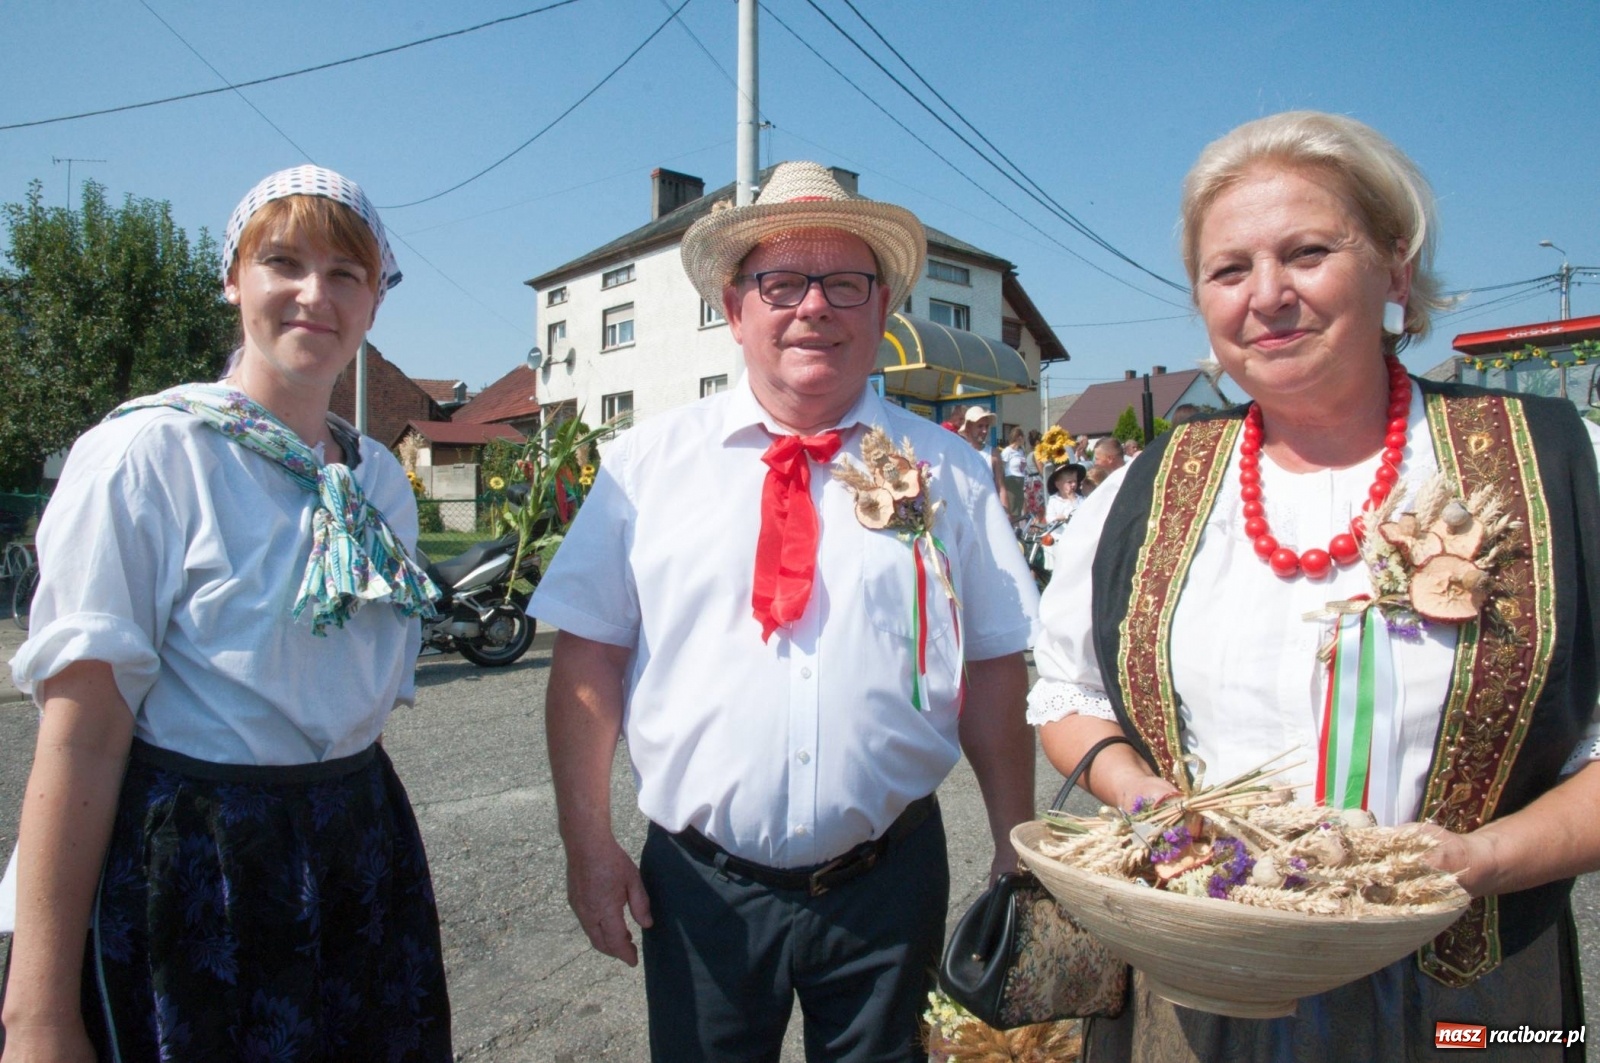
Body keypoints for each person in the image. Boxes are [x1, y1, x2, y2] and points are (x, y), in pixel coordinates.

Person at [1030, 111, 1600, 1062]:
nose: (1267, 295)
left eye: (1306, 252)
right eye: (1228, 270)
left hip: (1480, 999)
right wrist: (1153, 806)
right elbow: (1070, 698)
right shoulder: (1151, 483)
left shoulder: (1545, 464)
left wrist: (1475, 862)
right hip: (1204, 982)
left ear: (1396, 269)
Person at [531, 161, 1039, 1062]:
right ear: (735, 309)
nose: (815, 306)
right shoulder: (643, 468)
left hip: (890, 882)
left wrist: (1012, 843)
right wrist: (587, 842)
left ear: (883, 309)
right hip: (702, 888)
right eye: (782, 282)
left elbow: (994, 663)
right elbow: (588, 661)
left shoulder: (951, 472)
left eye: (845, 283)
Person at [0, 166, 453, 1062]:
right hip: (196, 871)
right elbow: (82, 736)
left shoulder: (378, 484)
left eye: (345, 274)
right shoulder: (144, 457)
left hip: (357, 851)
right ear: (232, 279)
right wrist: (38, 1010)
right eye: (281, 262)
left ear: (373, 302)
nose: (313, 295)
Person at [960, 406, 1009, 514]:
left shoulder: (993, 454)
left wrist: (1006, 514)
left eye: (987, 426)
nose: (984, 431)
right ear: (968, 427)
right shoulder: (960, 452)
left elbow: (1000, 486)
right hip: (966, 512)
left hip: (989, 512)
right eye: (980, 426)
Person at [1001, 427, 1029, 522]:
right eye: (1022, 437)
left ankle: (1016, 527)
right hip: (1011, 480)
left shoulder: (1021, 451)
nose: (1023, 440)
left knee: (1018, 507)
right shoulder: (1007, 451)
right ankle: (1011, 527)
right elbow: (1002, 466)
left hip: (1020, 479)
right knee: (1012, 508)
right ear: (1018, 438)